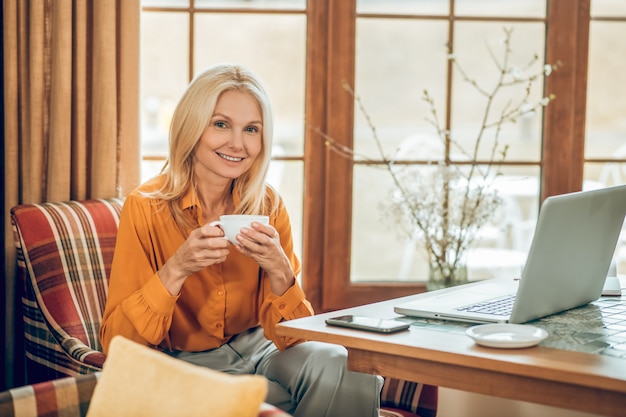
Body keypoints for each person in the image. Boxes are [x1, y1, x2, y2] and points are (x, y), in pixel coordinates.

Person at [99, 63, 383, 417]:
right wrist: (177, 269)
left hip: (263, 349)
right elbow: (118, 344)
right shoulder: (145, 207)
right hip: (183, 362)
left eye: (251, 129)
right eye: (221, 124)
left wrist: (281, 272)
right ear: (192, 127)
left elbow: (293, 339)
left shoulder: (268, 205)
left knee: (343, 365)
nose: (237, 143)